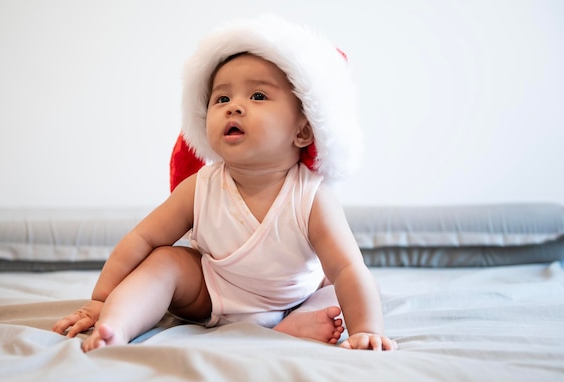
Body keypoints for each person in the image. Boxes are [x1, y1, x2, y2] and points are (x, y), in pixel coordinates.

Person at [52, 15, 397, 352]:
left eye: (258, 96)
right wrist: (101, 299)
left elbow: (347, 266)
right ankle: (118, 325)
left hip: (293, 297)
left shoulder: (310, 196)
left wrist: (367, 329)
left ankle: (287, 326)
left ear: (303, 130)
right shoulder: (200, 186)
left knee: (343, 285)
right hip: (212, 292)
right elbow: (142, 237)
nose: (234, 107)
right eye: (222, 98)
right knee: (165, 260)